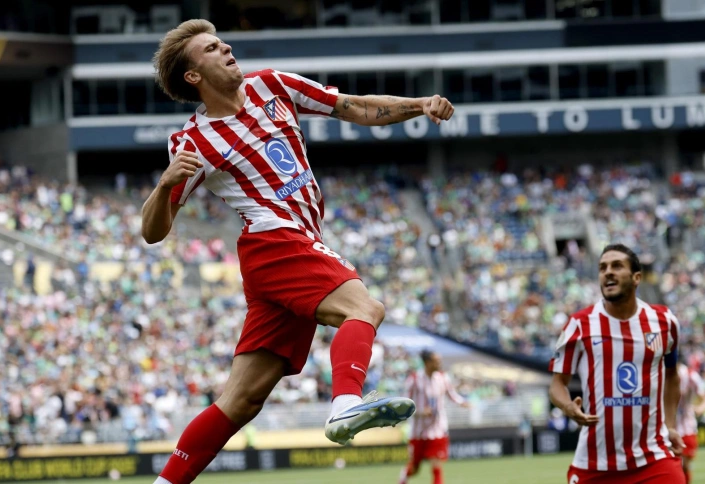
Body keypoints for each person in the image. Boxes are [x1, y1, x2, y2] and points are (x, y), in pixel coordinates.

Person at [141, 19, 455, 484]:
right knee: (365, 308)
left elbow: (355, 106)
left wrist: (419, 104)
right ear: (194, 76)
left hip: (288, 250)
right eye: (211, 48)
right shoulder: (194, 142)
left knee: (242, 400)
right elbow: (153, 232)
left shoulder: (273, 85)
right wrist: (163, 185)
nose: (226, 48)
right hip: (275, 241)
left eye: (222, 42)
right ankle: (345, 404)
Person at [548, 244, 686, 484]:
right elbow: (557, 384)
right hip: (595, 464)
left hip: (653, 458)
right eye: (602, 268)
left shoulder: (664, 321)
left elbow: (672, 376)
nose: (608, 272)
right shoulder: (579, 324)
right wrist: (568, 406)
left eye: (616, 266)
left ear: (636, 278)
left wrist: (670, 425)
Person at [399, 350, 470, 484]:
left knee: (436, 464)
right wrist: (420, 412)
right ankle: (404, 477)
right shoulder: (414, 379)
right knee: (415, 468)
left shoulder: (443, 377)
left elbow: (452, 395)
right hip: (418, 431)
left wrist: (463, 402)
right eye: (436, 361)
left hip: (438, 428)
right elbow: (404, 404)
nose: (439, 363)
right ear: (427, 363)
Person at [677, 361, 705, 484]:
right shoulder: (659, 370)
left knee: (684, 464)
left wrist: (698, 409)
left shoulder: (691, 375)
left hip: (686, 427)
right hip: (666, 427)